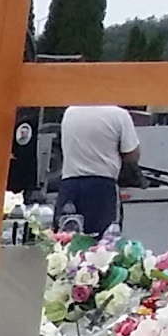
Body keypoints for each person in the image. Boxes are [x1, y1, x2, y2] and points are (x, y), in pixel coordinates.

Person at [54, 101, 140, 237]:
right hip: (103, 187)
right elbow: (132, 155)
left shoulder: (70, 111)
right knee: (104, 241)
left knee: (65, 240)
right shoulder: (119, 115)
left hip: (69, 185)